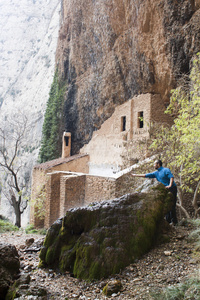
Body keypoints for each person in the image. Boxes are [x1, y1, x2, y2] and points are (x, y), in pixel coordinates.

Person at [131, 159, 178, 225]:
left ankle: (174, 222)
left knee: (172, 205)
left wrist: (169, 185)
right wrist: (135, 175)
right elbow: (146, 175)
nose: (153, 165)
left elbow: (171, 177)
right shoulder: (156, 173)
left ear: (158, 164)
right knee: (166, 205)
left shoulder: (166, 170)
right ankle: (168, 221)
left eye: (154, 164)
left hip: (172, 188)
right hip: (165, 190)